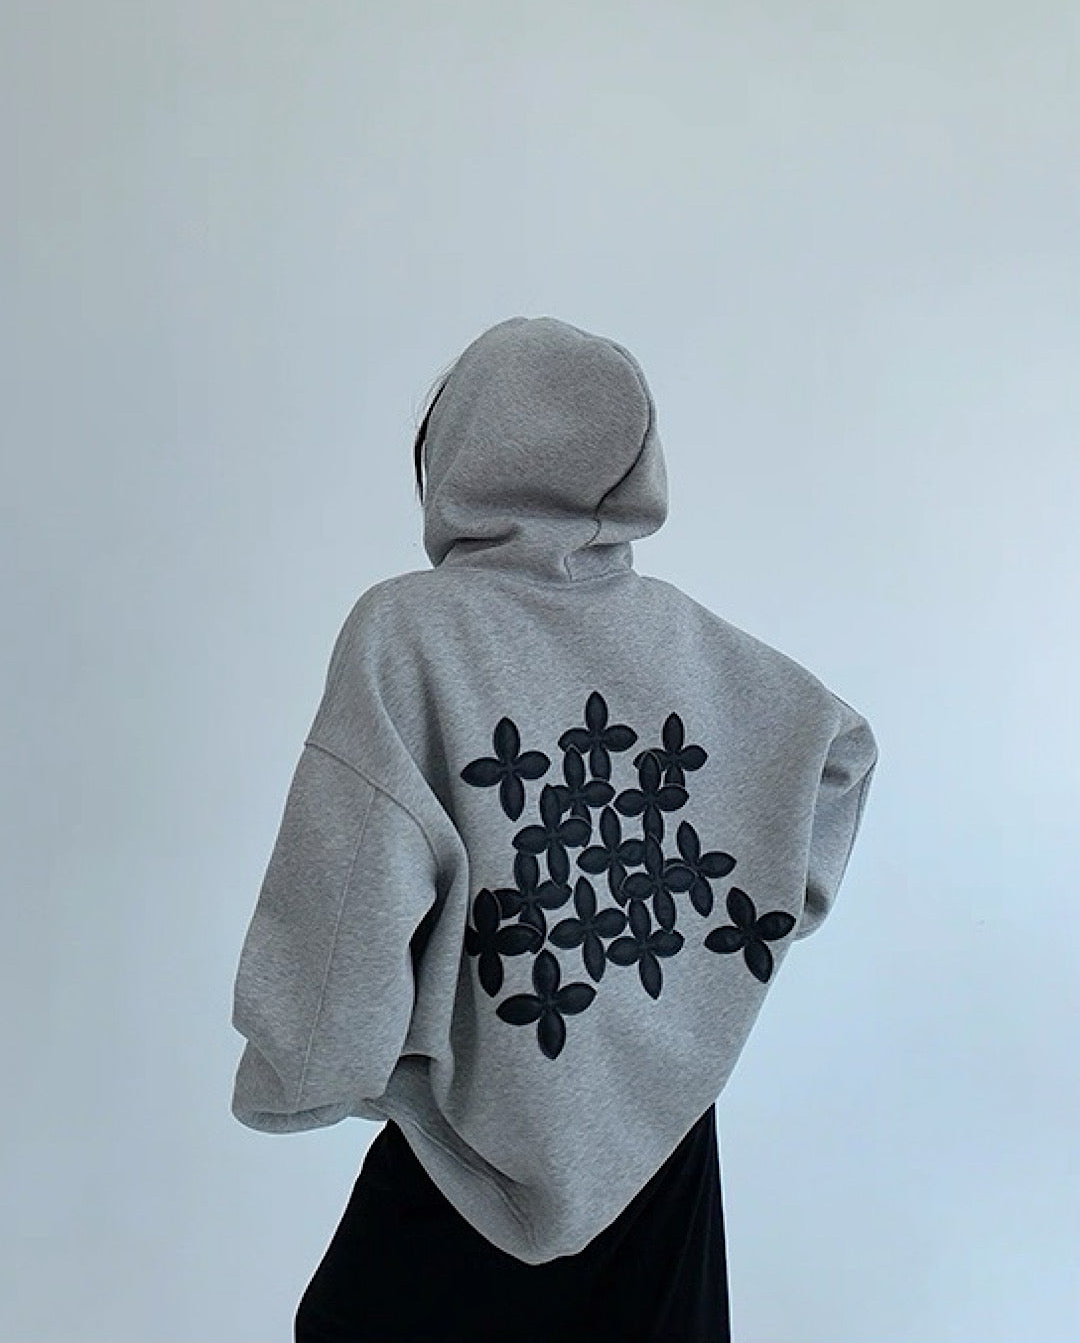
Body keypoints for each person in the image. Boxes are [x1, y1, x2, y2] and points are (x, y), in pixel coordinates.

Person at [229, 315, 880, 1342]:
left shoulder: (410, 628)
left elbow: (349, 881)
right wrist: (726, 940)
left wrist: (305, 1069)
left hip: (471, 1154)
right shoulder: (695, 643)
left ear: (455, 455)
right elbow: (837, 755)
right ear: (630, 459)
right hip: (668, 1164)